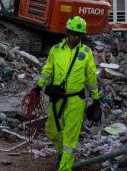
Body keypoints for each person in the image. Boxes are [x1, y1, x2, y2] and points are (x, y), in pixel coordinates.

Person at [35, 16, 100, 171]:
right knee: (52, 131)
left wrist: (96, 98)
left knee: (71, 138)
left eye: (79, 35)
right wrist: (39, 86)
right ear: (67, 33)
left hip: (76, 100)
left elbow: (90, 77)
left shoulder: (86, 52)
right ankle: (62, 153)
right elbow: (48, 70)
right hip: (57, 98)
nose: (76, 38)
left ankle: (65, 166)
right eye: (73, 34)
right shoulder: (56, 50)